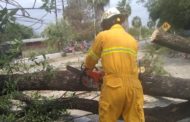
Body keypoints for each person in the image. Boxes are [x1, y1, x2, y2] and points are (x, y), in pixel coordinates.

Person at [84, 7, 144, 122]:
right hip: (134, 87)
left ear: (108, 22)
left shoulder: (103, 36)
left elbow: (91, 58)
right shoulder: (132, 40)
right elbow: (126, 64)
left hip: (113, 87)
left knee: (107, 119)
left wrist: (87, 69)